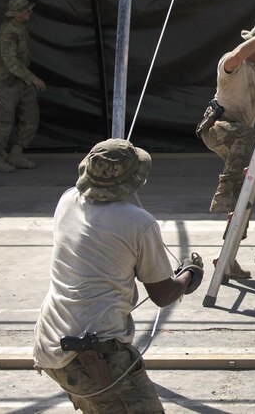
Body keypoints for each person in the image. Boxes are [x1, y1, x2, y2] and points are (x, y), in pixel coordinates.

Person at [34, 138, 203, 413]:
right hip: (95, 358)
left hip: (51, 344)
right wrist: (188, 276)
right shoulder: (138, 222)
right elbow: (162, 294)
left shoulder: (67, 200)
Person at [196, 19, 255, 279]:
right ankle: (225, 192)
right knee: (250, 136)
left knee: (245, 200)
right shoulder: (231, 64)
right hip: (217, 129)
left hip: (242, 139)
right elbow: (239, 54)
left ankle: (228, 256)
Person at [0, 0, 46, 173]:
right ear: (17, 14)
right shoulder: (8, 32)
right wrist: (31, 78)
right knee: (4, 120)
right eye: (26, 10)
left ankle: (17, 152)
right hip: (7, 83)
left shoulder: (20, 28)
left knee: (31, 117)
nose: (30, 12)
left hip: (21, 82)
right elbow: (10, 61)